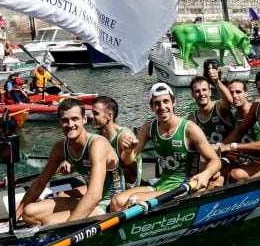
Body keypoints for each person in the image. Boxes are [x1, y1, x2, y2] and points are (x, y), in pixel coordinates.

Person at [110, 83, 220, 210]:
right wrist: (128, 151)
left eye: (166, 101)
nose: (162, 107)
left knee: (133, 201)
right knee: (117, 201)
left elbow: (215, 161)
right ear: (152, 107)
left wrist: (206, 174)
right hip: (161, 184)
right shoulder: (148, 128)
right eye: (157, 103)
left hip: (183, 186)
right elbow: (128, 161)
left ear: (173, 103)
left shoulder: (190, 129)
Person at [17, 98, 125, 226]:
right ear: (60, 123)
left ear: (84, 119)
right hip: (88, 199)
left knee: (49, 221)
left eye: (75, 119)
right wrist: (13, 218)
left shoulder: (97, 144)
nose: (70, 124)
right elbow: (40, 183)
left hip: (108, 202)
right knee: (28, 212)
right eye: (65, 120)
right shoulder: (60, 147)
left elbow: (95, 194)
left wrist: (67, 226)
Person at [90, 96, 141, 187]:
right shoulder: (99, 135)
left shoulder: (124, 136)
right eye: (91, 113)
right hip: (107, 184)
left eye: (95, 113)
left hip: (124, 188)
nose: (91, 116)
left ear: (109, 116)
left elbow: (131, 177)